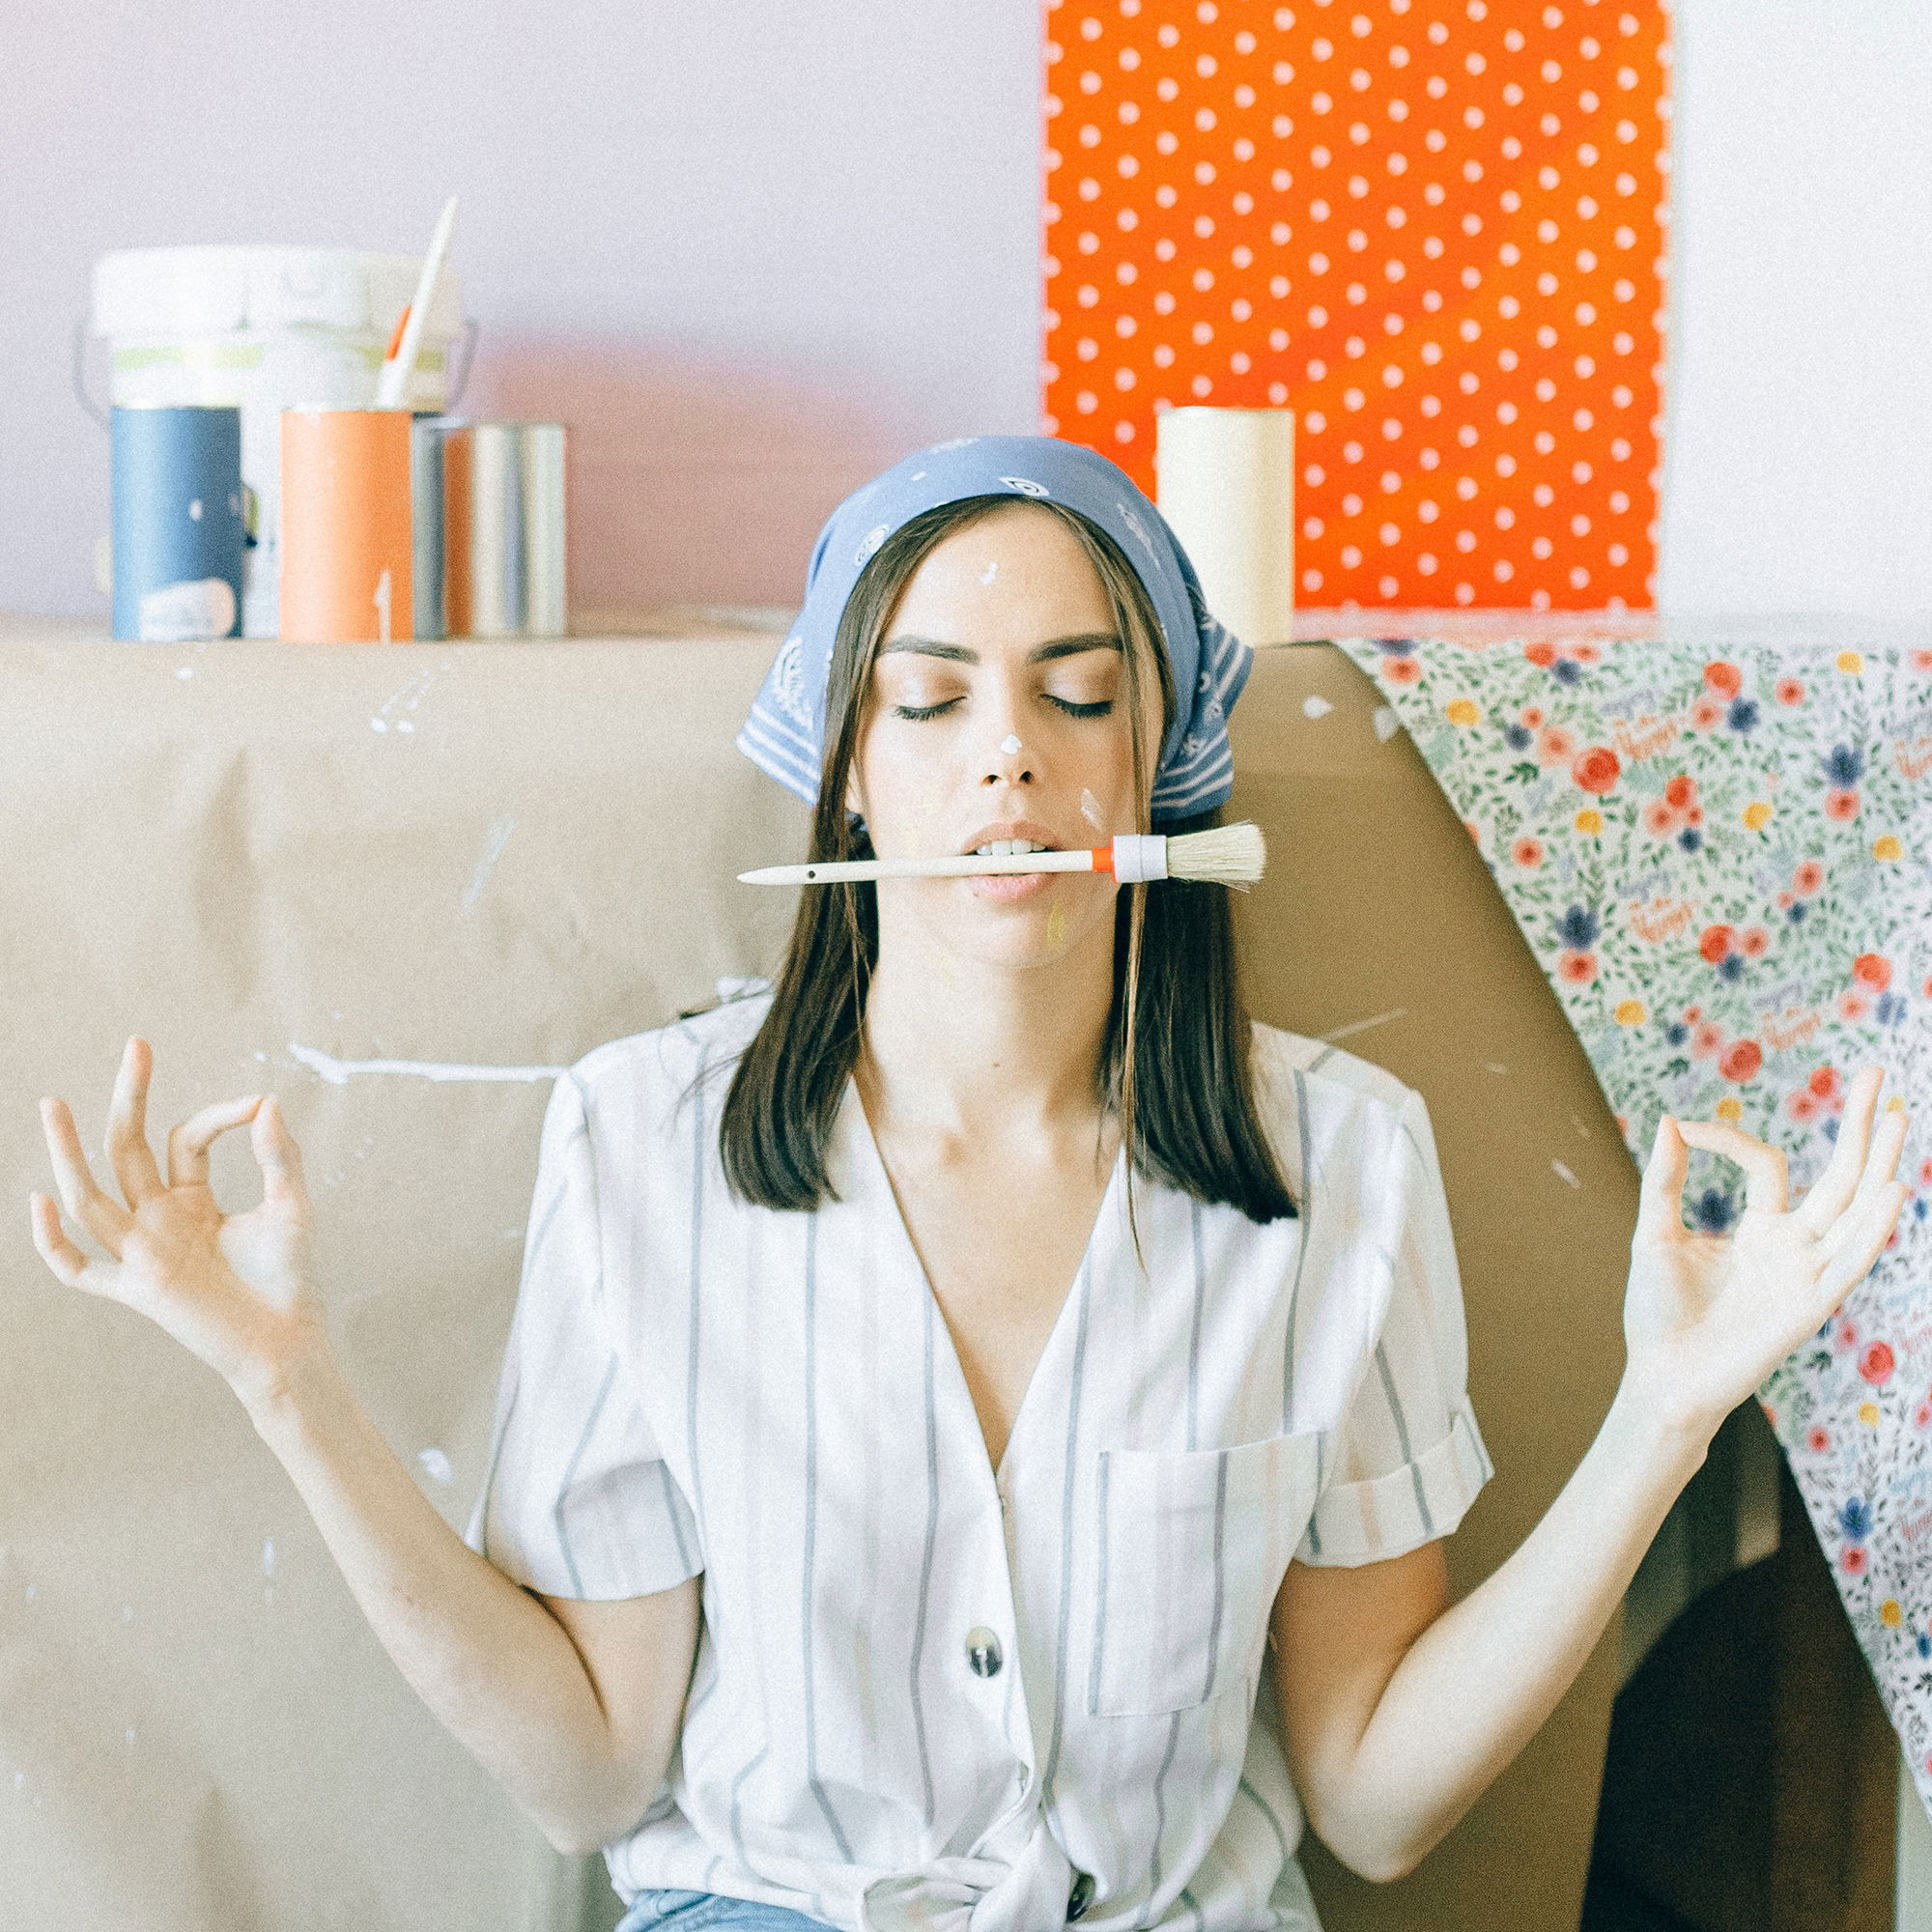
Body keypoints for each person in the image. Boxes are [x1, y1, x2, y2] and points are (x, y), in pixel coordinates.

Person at [29, 437, 1911, 1932]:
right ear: (849, 769)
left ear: (1155, 768)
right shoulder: (640, 1146)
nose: (1004, 748)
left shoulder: (1341, 1163)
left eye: (1070, 693)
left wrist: (1663, 1417)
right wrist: (285, 1379)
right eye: (927, 703)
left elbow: (1374, 1804)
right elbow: (596, 1768)